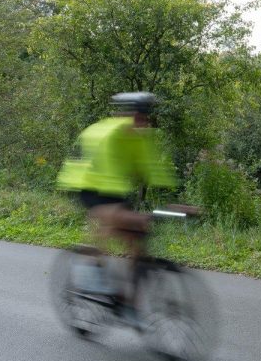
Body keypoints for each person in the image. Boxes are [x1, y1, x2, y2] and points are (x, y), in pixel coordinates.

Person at [57, 92, 176, 321]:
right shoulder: (108, 135)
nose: (142, 123)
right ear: (126, 114)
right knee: (113, 222)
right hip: (86, 185)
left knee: (139, 241)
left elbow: (153, 168)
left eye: (146, 118)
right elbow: (109, 177)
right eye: (138, 117)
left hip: (114, 189)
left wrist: (174, 199)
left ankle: (128, 303)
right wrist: (130, 217)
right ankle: (90, 265)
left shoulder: (142, 136)